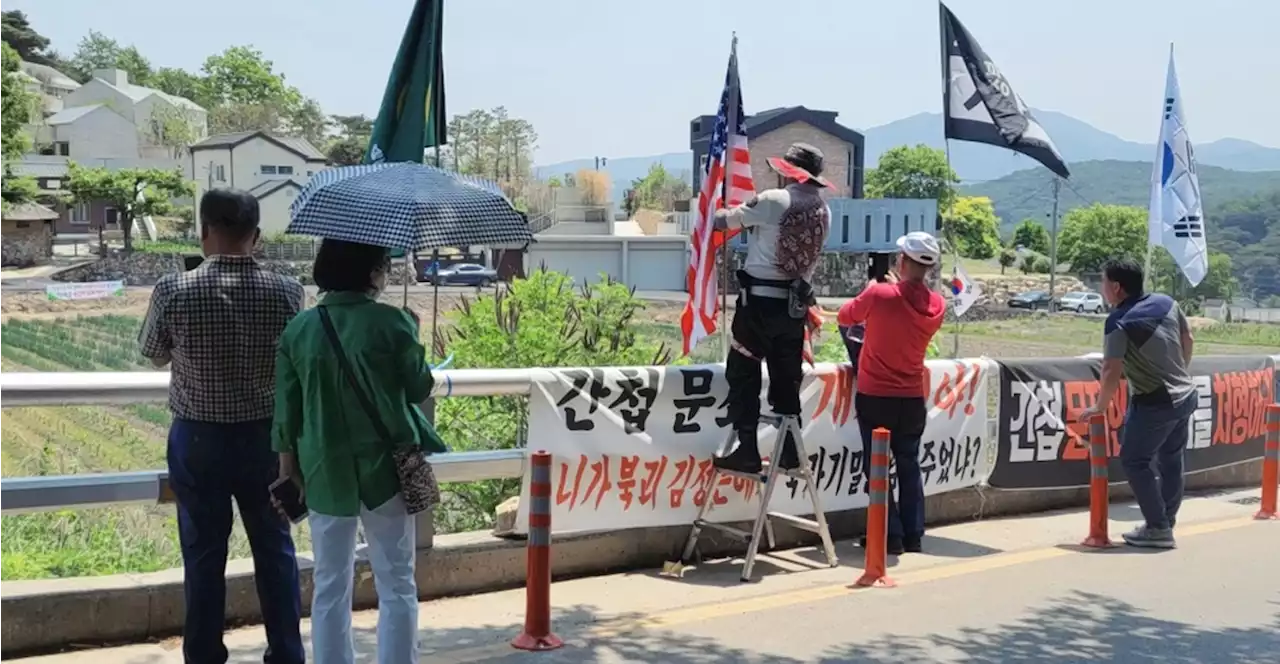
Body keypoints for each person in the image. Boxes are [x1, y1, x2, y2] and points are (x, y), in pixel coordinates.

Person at [139, 189, 306, 664]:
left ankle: (204, 655)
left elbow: (153, 354)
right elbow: (297, 361)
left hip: (198, 439)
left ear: (203, 231)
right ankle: (287, 654)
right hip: (268, 441)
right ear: (256, 236)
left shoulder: (174, 289)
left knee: (204, 553)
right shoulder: (288, 291)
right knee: (275, 550)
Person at [272, 238, 447, 664]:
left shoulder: (300, 329)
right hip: (385, 468)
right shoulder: (391, 323)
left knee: (330, 583)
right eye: (384, 265)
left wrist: (288, 470)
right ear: (372, 273)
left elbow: (286, 415)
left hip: (323, 469)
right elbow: (419, 387)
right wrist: (413, 333)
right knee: (397, 581)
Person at [711, 142, 832, 474]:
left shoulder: (774, 201)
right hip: (793, 308)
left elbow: (725, 221)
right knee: (786, 379)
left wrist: (713, 204)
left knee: (743, 369)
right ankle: (791, 450)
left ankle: (747, 448)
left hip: (758, 305)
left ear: (787, 173)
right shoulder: (823, 210)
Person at [839, 232, 946, 555]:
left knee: (878, 467)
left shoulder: (880, 295)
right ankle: (913, 533)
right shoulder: (938, 305)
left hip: (876, 396)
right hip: (912, 397)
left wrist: (874, 288)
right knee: (909, 464)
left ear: (902, 261)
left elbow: (846, 317)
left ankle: (889, 534)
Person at [1078, 257, 1195, 549]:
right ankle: (1165, 522)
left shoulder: (1119, 321)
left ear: (1116, 287)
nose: (1102, 288)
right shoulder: (1167, 302)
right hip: (1185, 392)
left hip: (1155, 399)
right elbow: (1188, 338)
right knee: (1171, 460)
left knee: (1135, 460)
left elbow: (1110, 370)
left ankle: (1157, 527)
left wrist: (1099, 407)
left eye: (1103, 282)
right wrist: (1178, 371)